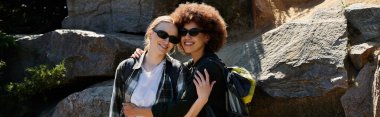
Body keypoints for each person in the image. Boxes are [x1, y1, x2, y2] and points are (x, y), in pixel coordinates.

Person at [125, 2, 228, 117]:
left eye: (193, 32)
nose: (187, 36)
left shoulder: (207, 67)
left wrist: (138, 111)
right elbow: (170, 66)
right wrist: (145, 56)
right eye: (183, 32)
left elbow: (181, 108)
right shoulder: (194, 64)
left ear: (207, 37)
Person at [109, 15, 215, 117]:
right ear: (150, 34)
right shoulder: (126, 67)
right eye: (162, 34)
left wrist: (202, 99)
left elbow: (181, 114)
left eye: (173, 39)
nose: (167, 41)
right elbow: (115, 110)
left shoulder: (178, 71)